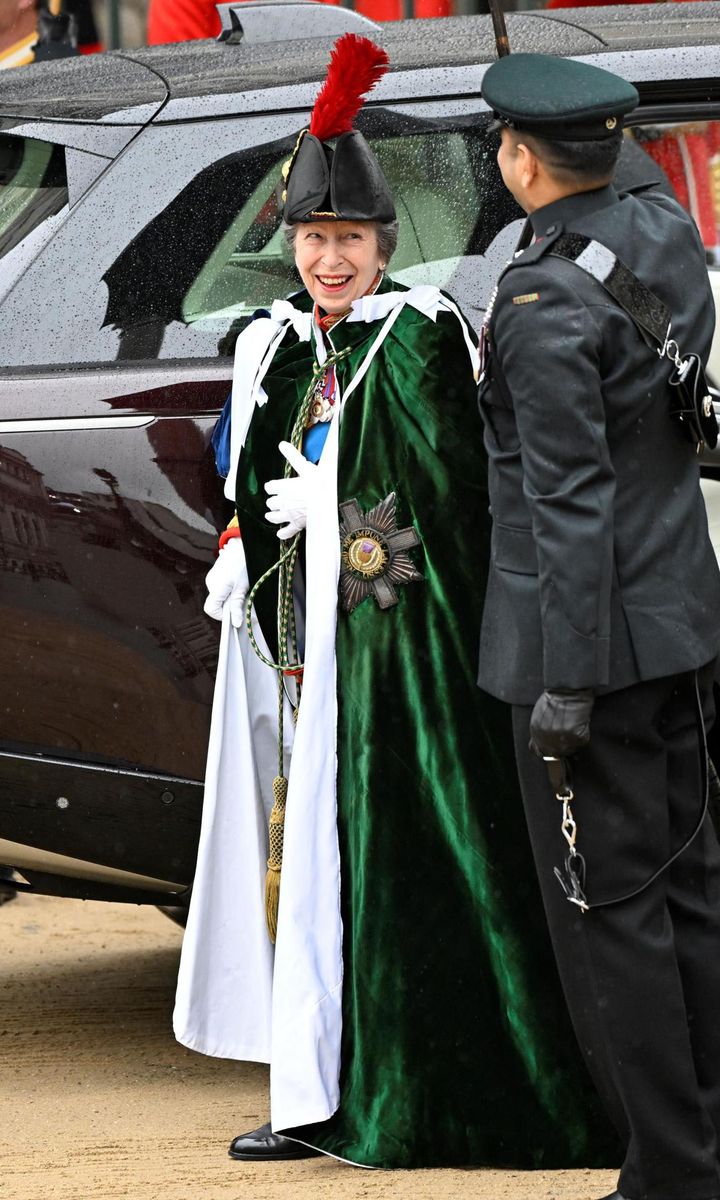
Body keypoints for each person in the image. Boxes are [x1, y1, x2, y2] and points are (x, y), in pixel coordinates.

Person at [173, 33, 617, 1170]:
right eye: (315, 240)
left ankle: (386, 1088)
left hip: (388, 654)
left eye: (352, 241)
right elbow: (249, 469)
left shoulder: (419, 336)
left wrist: (336, 522)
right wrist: (240, 541)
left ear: (384, 244)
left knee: (373, 864)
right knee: (291, 868)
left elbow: (450, 506)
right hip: (286, 653)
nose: (332, 261)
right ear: (291, 245)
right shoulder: (267, 344)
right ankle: (304, 1080)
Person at [478, 51, 720, 1200]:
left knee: (615, 920)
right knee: (694, 900)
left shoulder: (540, 307)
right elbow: (628, 177)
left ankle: (669, 1173)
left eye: (505, 144)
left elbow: (568, 508)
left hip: (593, 653)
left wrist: (566, 686)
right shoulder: (662, 232)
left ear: (525, 162)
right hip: (679, 630)